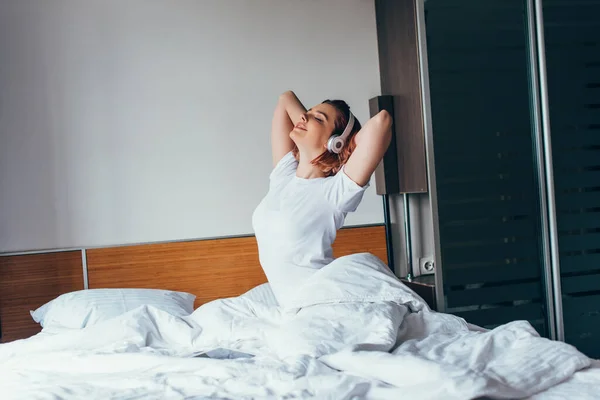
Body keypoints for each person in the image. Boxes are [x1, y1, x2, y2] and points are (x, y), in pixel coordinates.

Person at [252, 90, 392, 306]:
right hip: (294, 306)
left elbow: (382, 121)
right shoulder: (284, 174)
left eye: (318, 118)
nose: (304, 117)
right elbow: (285, 98)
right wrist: (312, 121)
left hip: (321, 302)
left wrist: (343, 145)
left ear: (335, 142)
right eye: (306, 113)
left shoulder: (336, 191)